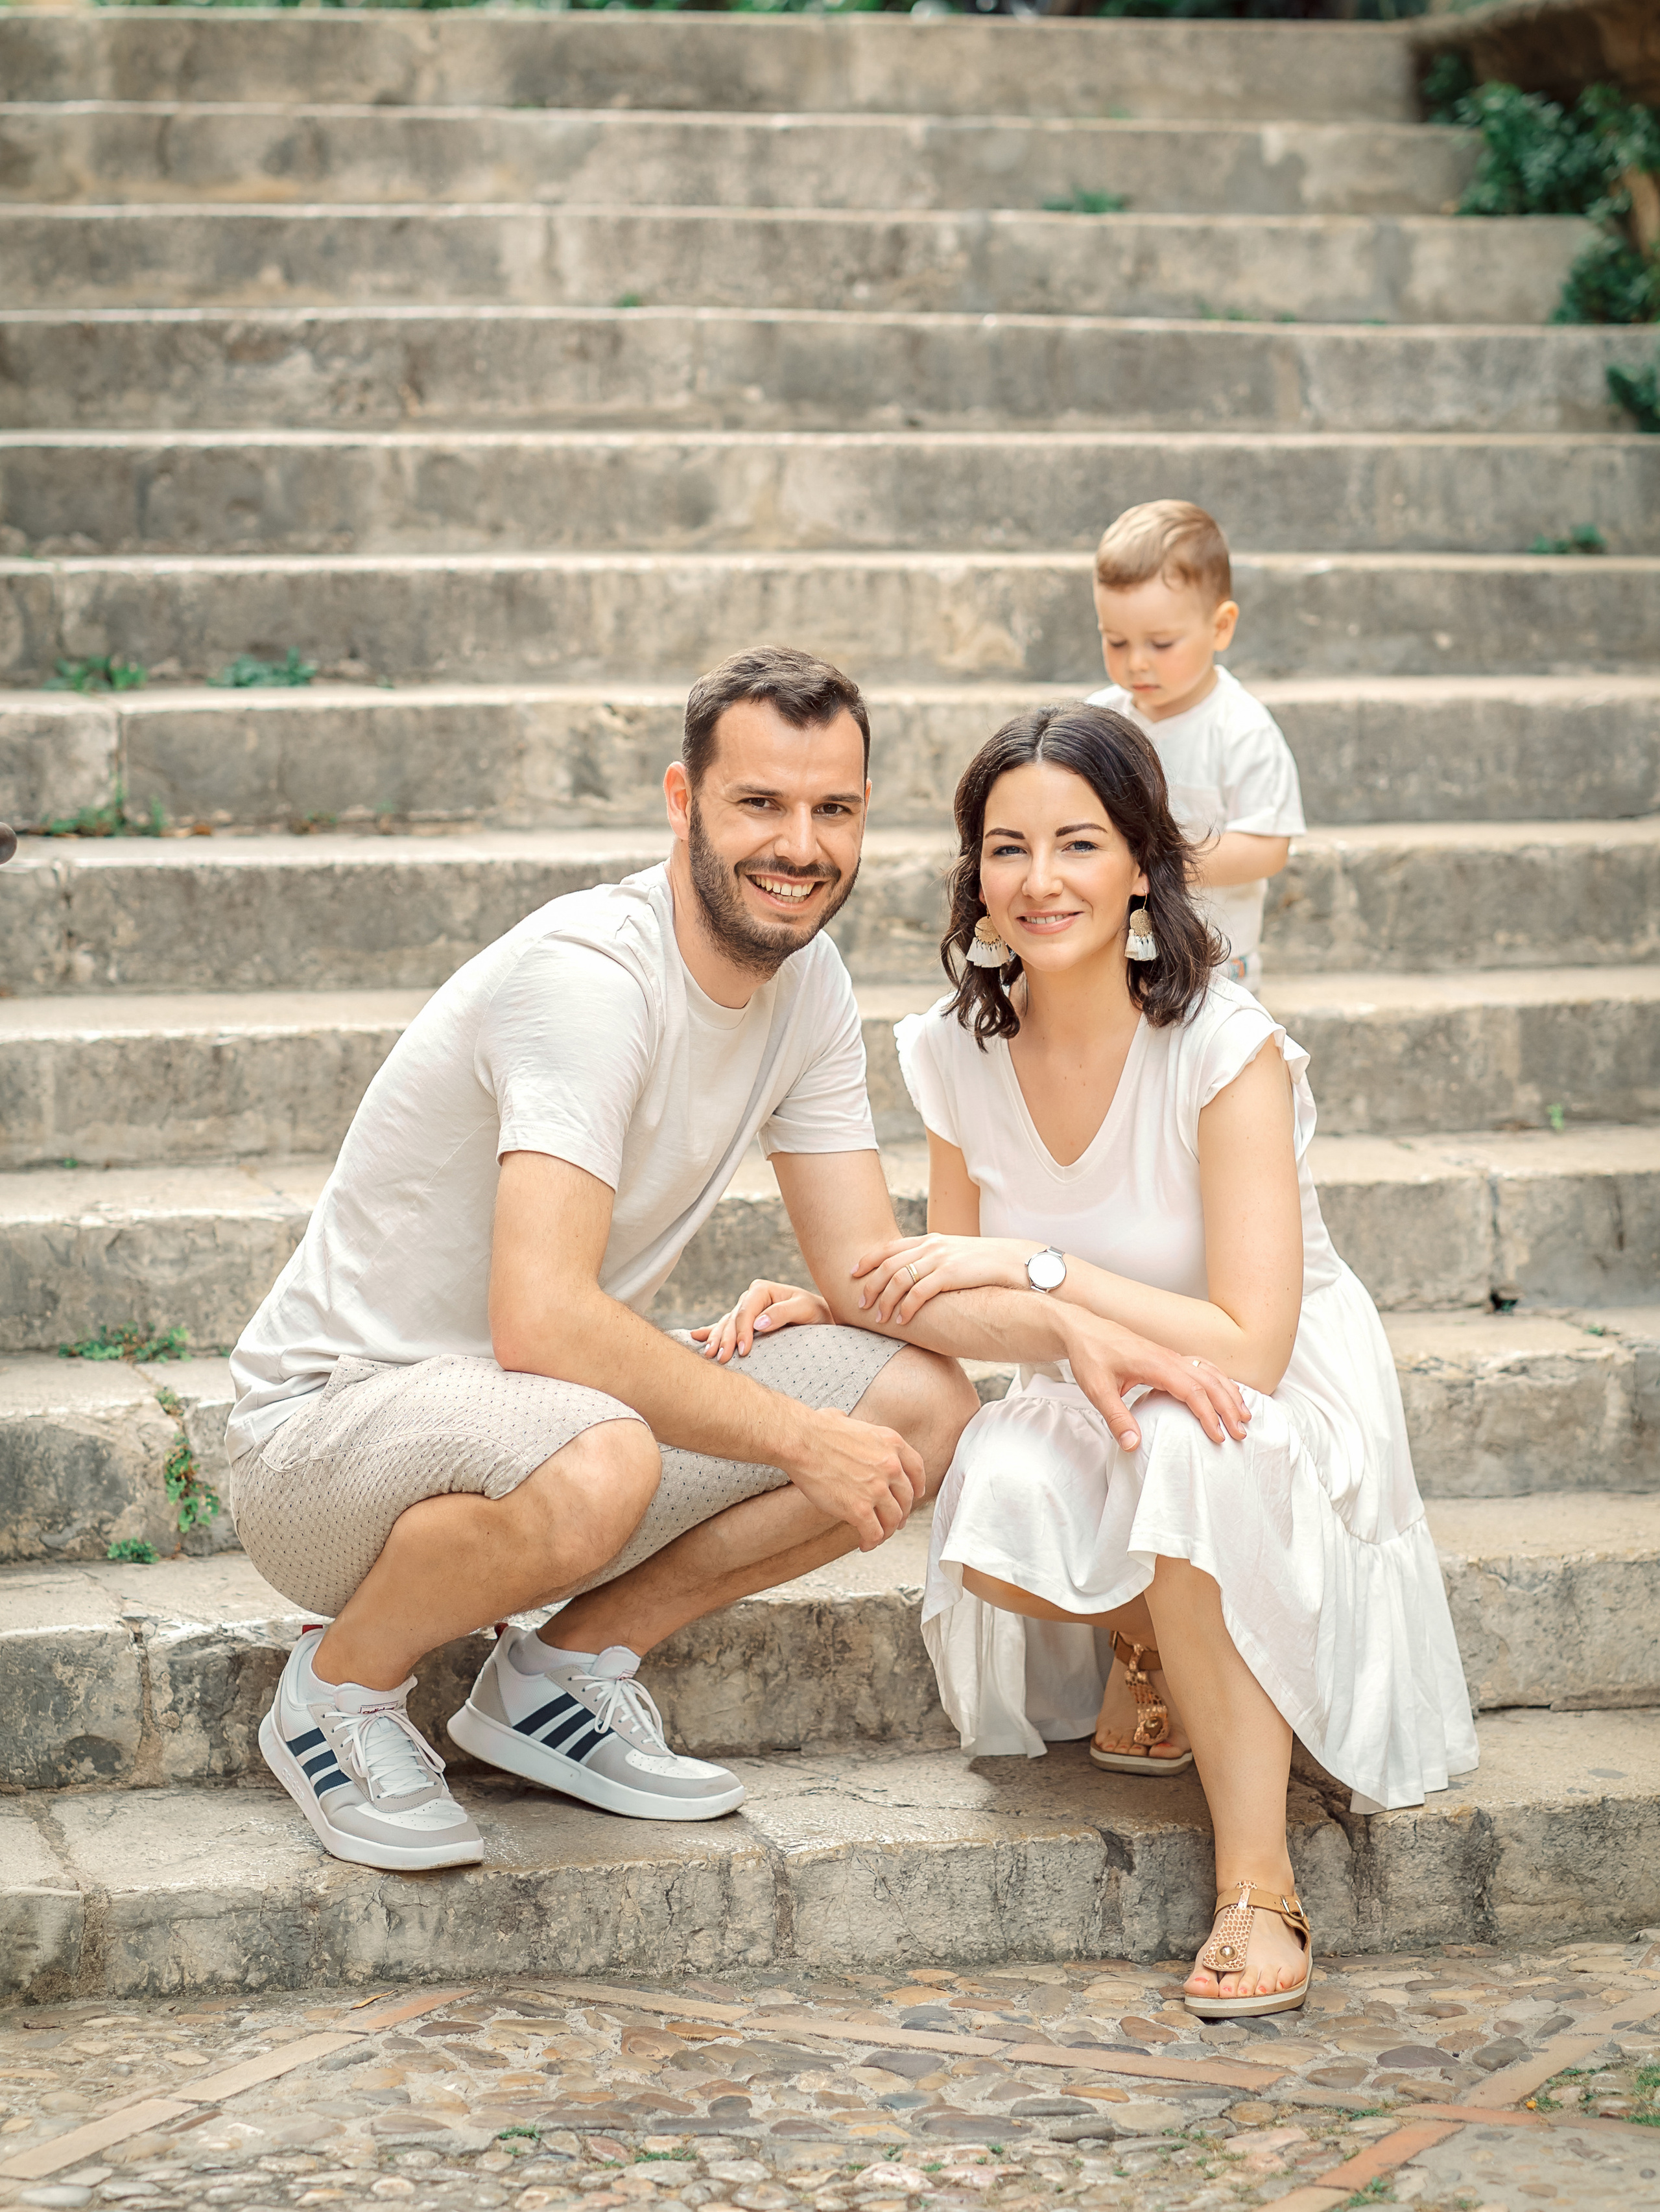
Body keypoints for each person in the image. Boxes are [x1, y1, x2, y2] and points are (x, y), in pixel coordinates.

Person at [226, 646, 1244, 1879]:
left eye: (834, 810)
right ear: (682, 800)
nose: (800, 845)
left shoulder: (805, 980)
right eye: (760, 804)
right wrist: (796, 1437)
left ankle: (556, 1679)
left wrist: (1066, 1321)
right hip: (326, 1441)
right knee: (603, 1453)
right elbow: (541, 1316)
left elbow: (871, 1270)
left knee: (920, 1399)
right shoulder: (592, 978)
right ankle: (336, 1692)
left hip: (529, 1426)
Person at [851, 703, 1476, 2018]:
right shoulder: (954, 1053)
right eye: (1005, 846)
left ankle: (1256, 1877)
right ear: (975, 874)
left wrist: (1045, 1276)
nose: (1038, 879)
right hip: (1087, 1371)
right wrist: (823, 1296)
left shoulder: (1219, 1043)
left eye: (1077, 841)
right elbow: (956, 1305)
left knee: (1196, 1435)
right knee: (986, 1479)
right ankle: (1154, 1643)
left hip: (1272, 1380)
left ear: (1141, 859)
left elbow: (1244, 1339)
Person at [1087, 499, 1305, 993]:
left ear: (1221, 626)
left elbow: (1268, 847)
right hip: (1117, 956)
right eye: (1116, 642)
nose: (1137, 663)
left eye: (1161, 644)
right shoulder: (1101, 719)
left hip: (1214, 961)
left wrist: (1160, 865)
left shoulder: (1241, 728)